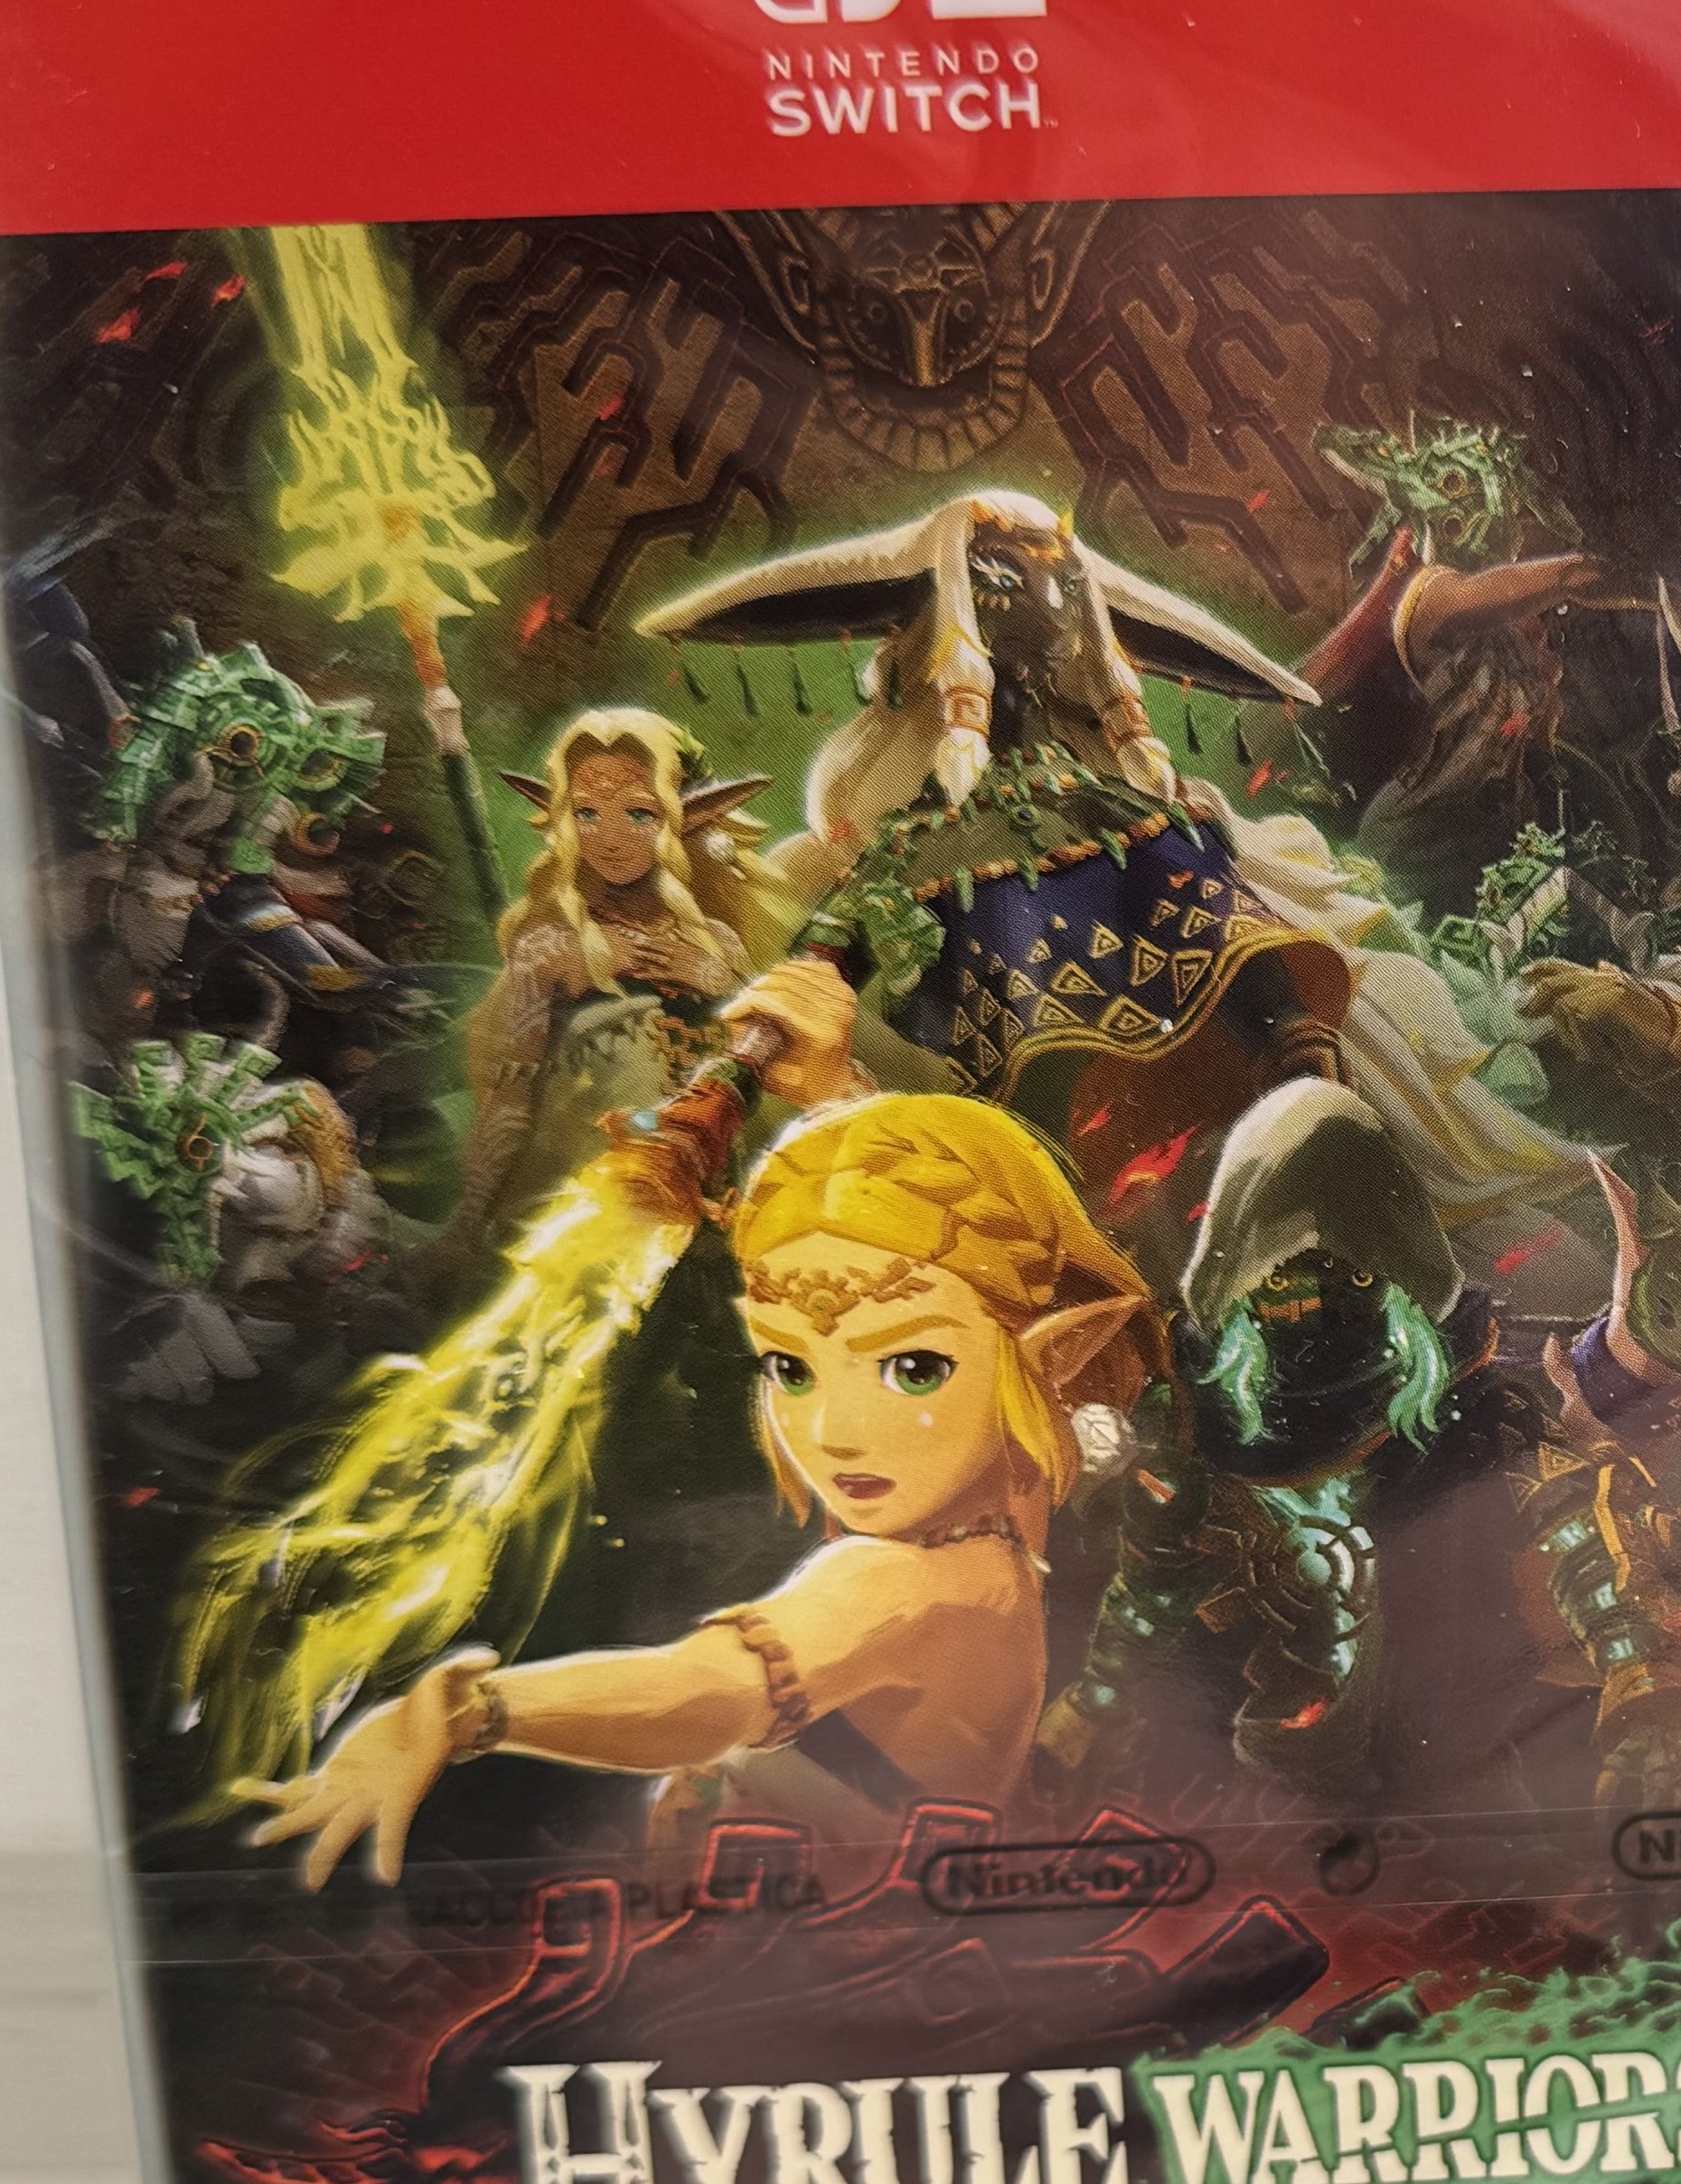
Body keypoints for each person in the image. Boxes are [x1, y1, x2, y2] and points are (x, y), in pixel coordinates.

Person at [240, 1095, 1156, 1884]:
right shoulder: (1004, 1508)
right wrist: (833, 1100)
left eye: (913, 1368)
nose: (831, 1431)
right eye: (790, 1369)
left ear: (1050, 1356)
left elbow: (706, 1691)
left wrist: (462, 1713)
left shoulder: (901, 1583)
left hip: (805, 1946)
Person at [446, 710, 774, 1257]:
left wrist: (722, 987)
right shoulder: (549, 949)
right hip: (591, 1209)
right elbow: (506, 1095)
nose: (610, 839)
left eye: (638, 813)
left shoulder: (718, 943)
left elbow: (763, 1076)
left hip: (716, 1206)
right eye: (587, 814)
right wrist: (467, 1226)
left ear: (681, 819)